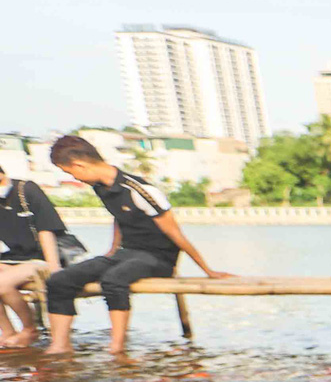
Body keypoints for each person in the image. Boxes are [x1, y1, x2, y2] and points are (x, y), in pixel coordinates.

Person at [43, 135, 229, 355]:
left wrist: (207, 270)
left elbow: (175, 233)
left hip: (159, 259)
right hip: (126, 254)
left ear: (79, 165)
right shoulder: (100, 186)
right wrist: (112, 250)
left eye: (70, 172)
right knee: (59, 280)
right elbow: (118, 216)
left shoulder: (140, 189)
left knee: (112, 280)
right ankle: (60, 345)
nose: (74, 177)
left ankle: (117, 347)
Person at [0, 165, 62, 349]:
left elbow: (46, 228)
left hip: (42, 255)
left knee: (1, 283)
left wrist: (53, 266)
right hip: (15, 257)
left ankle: (29, 329)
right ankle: (8, 332)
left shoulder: (26, 190)